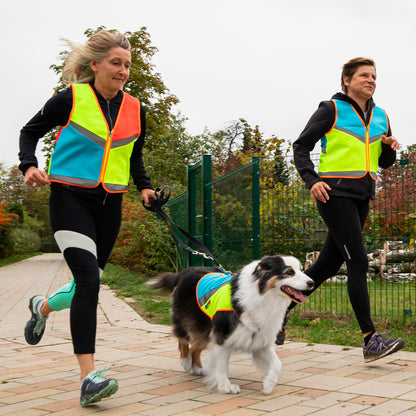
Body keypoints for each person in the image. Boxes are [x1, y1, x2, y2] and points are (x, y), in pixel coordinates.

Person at [19, 30, 155, 405]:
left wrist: (145, 188)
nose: (123, 70)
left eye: (127, 65)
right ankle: (88, 378)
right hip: (69, 198)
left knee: (89, 281)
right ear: (94, 65)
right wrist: (29, 165)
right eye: (115, 63)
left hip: (110, 204)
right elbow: (29, 131)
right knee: (88, 280)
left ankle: (41, 307)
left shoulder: (135, 108)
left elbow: (134, 156)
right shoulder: (70, 99)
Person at [277, 57, 404, 362]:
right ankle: (370, 339)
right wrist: (311, 180)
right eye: (364, 75)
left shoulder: (382, 115)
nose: (370, 80)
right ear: (347, 80)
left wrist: (389, 146)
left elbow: (384, 162)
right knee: (358, 261)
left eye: (373, 76)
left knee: (326, 266)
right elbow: (300, 146)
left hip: (363, 195)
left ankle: (276, 313)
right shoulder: (331, 109)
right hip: (334, 194)